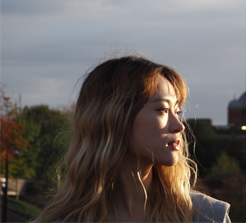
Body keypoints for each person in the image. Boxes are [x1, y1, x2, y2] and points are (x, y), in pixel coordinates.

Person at [33, 56, 231, 223]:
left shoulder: (206, 216)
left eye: (177, 112)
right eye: (163, 109)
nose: (179, 126)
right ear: (115, 117)